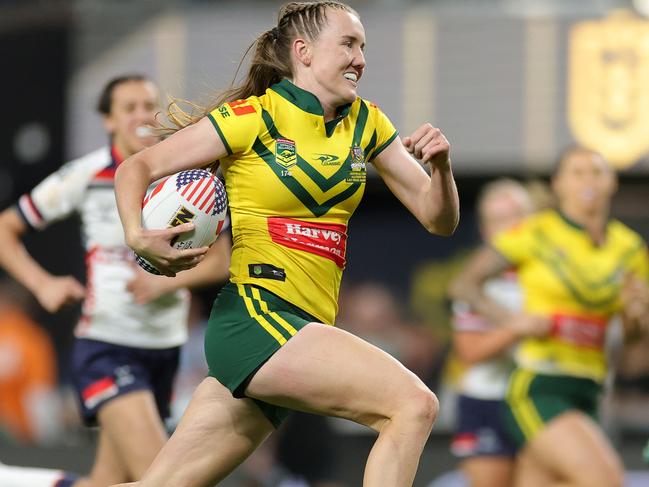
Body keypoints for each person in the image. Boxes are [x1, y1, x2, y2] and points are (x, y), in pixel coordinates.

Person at [110, 2, 459, 486]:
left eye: (363, 46)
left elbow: (437, 218)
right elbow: (137, 168)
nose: (361, 58)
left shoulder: (368, 124)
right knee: (413, 405)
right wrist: (137, 234)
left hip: (302, 331)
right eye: (349, 44)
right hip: (257, 320)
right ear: (304, 51)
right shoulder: (253, 117)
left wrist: (440, 169)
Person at [0, 74, 231, 487]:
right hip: (108, 345)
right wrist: (42, 285)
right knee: (162, 478)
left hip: (163, 350)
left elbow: (219, 262)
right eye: (129, 108)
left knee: (111, 481)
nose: (143, 115)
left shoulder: (182, 177)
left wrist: (165, 284)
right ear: (108, 121)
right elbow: (5, 229)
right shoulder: (86, 175)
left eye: (149, 105)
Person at [450, 147, 649, 487]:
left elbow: (633, 354)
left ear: (613, 181)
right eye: (577, 172)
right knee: (605, 479)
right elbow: (464, 287)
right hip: (538, 386)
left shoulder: (628, 248)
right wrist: (513, 323)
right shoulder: (535, 235)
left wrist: (635, 318)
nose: (588, 181)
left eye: (597, 172)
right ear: (557, 184)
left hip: (590, 389)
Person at [448, 179, 542, 487]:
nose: (506, 228)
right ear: (485, 229)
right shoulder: (476, 279)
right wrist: (517, 328)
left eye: (513, 217)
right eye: (496, 221)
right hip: (487, 401)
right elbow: (470, 352)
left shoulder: (546, 275)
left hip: (538, 398)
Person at [0, 279, 60, 445]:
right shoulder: (34, 337)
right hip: (20, 431)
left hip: (12, 430)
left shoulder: (28, 337)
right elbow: (40, 394)